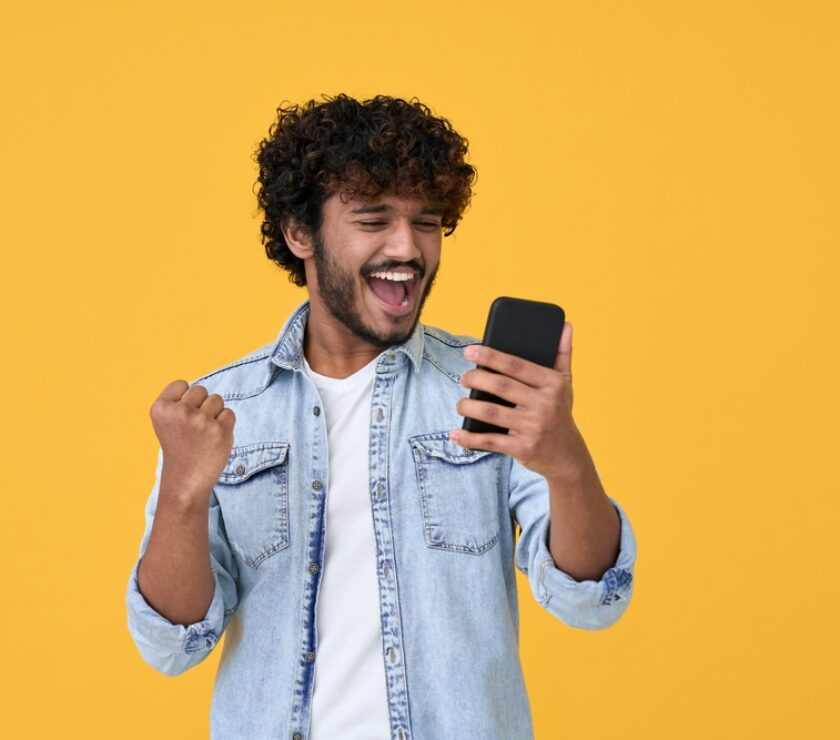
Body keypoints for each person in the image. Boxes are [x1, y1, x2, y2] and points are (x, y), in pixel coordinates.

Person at [125, 93, 637, 740]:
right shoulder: (225, 412)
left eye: (428, 221)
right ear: (299, 232)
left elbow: (591, 600)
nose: (409, 247)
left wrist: (566, 461)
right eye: (373, 220)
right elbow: (173, 647)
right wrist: (182, 494)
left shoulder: (489, 386)